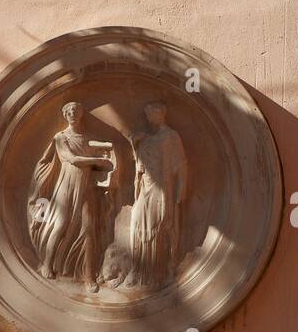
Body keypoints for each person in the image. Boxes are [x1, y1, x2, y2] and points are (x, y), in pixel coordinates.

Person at [28, 101, 113, 293]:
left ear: (81, 114)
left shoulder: (87, 138)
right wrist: (98, 160)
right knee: (60, 224)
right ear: (65, 115)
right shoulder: (61, 138)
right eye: (69, 111)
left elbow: (99, 149)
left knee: (89, 230)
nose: (73, 113)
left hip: (86, 189)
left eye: (76, 110)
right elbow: (72, 158)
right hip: (66, 187)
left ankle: (89, 276)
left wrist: (107, 150)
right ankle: (47, 263)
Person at [126, 102, 187, 289]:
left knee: (160, 226)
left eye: (152, 114)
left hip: (162, 188)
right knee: (136, 221)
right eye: (148, 115)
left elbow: (181, 163)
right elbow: (139, 163)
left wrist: (182, 188)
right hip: (145, 187)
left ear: (161, 115)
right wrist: (135, 142)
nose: (149, 118)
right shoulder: (147, 138)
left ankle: (159, 271)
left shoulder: (171, 136)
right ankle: (137, 268)